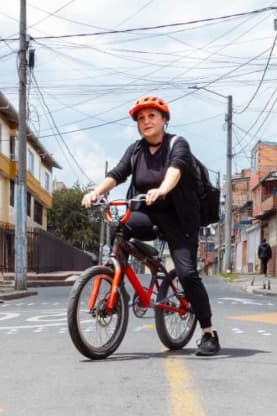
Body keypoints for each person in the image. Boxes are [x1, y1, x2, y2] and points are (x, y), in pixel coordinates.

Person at [81, 95, 220, 356]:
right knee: (120, 227)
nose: (146, 121)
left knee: (187, 273)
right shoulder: (136, 150)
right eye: (141, 118)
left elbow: (175, 170)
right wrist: (95, 193)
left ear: (164, 120)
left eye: (152, 116)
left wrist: (163, 189)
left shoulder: (178, 144)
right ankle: (119, 282)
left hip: (180, 218)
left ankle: (208, 333)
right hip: (148, 215)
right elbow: (117, 174)